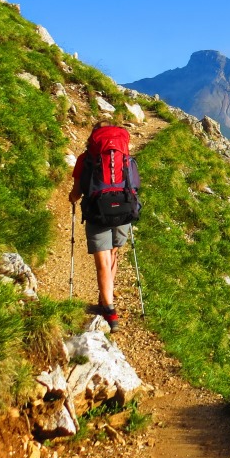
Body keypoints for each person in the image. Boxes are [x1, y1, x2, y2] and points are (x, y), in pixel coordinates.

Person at [68, 120, 132, 332]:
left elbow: (77, 192)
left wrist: (72, 197)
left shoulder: (84, 160)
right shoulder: (126, 159)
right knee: (113, 254)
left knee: (102, 262)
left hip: (98, 210)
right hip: (123, 209)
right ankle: (106, 298)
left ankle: (109, 311)